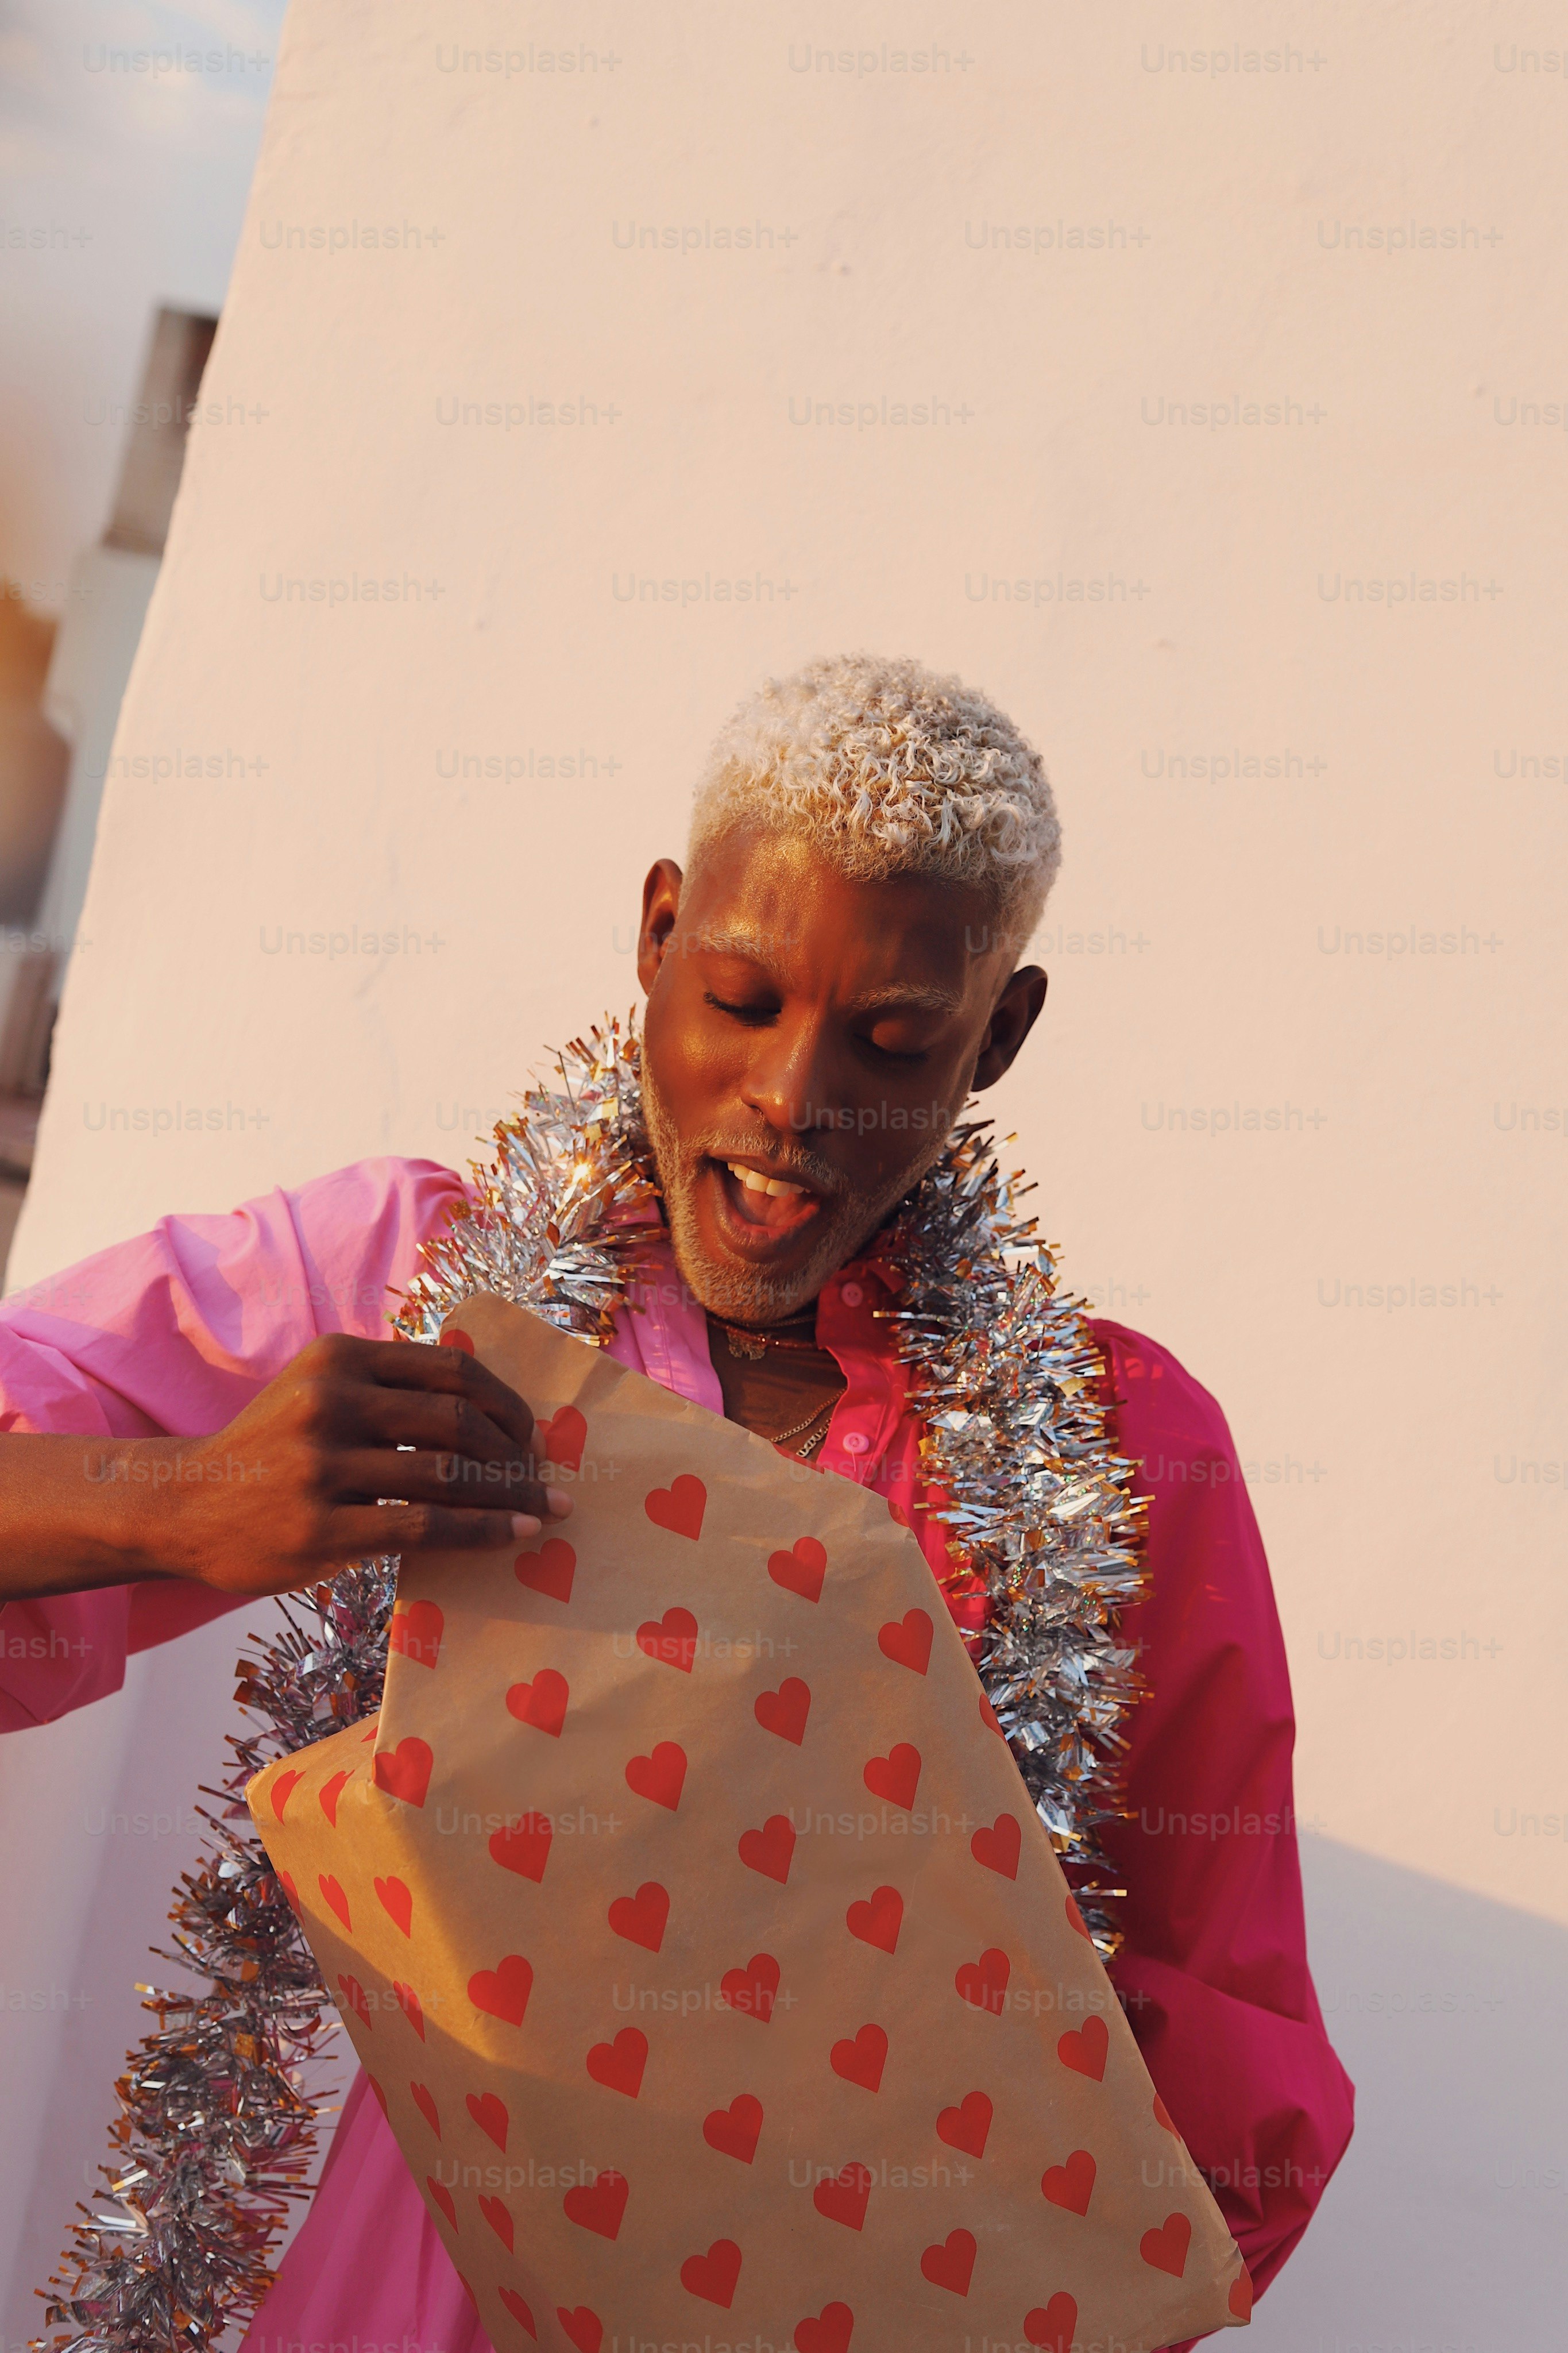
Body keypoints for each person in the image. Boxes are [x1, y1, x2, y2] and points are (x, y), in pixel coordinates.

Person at [0, 657, 1351, 2348]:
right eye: (737, 998)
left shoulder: (1118, 1448)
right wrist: (178, 1499)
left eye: (891, 1039)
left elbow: (1205, 2027)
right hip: (397, 2271)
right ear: (652, 937)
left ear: (997, 1035)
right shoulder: (421, 1282)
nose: (792, 1098)